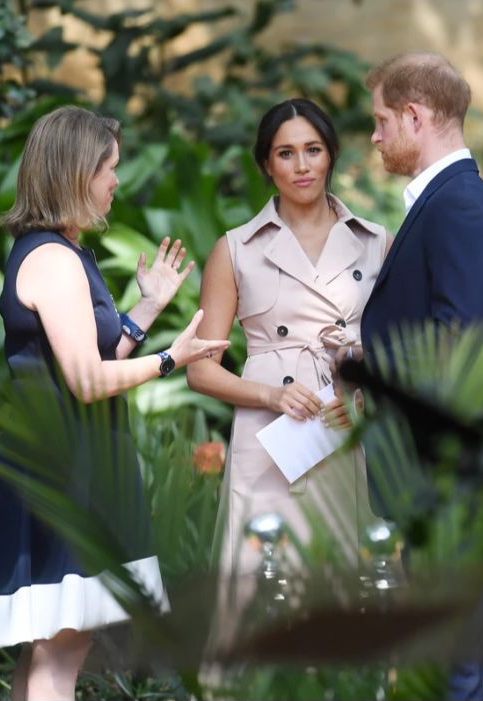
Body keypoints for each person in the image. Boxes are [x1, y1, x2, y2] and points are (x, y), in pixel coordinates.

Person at [0, 105, 229, 700]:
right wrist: (170, 360)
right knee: (62, 642)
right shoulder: (52, 260)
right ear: (77, 172)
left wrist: (148, 307)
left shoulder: (59, 251)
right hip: (65, 464)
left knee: (55, 642)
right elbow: (85, 379)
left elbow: (89, 357)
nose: (117, 182)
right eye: (111, 168)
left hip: (73, 458)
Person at [186, 98, 392, 611]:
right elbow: (200, 370)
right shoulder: (235, 248)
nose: (302, 166)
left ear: (331, 155)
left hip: (343, 430)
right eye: (285, 153)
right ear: (265, 165)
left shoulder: (376, 241)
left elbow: (397, 351)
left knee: (343, 580)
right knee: (260, 587)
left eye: (313, 149)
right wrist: (270, 395)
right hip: (270, 440)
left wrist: (367, 395)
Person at [358, 51, 483, 701]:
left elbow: (458, 344)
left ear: (415, 117)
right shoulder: (446, 200)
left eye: (381, 120)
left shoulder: (458, 206)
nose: (374, 136)